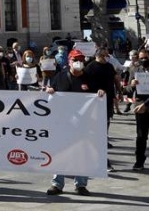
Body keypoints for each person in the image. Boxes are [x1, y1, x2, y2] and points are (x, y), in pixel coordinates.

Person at [45, 53, 105, 196]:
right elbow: (49, 94)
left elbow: (99, 93)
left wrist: (101, 93)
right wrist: (50, 91)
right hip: (63, 122)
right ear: (69, 61)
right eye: (75, 60)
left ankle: (81, 185)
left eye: (81, 60)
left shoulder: (90, 78)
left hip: (84, 123)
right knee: (60, 152)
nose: (78, 62)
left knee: (82, 152)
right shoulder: (59, 77)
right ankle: (57, 184)